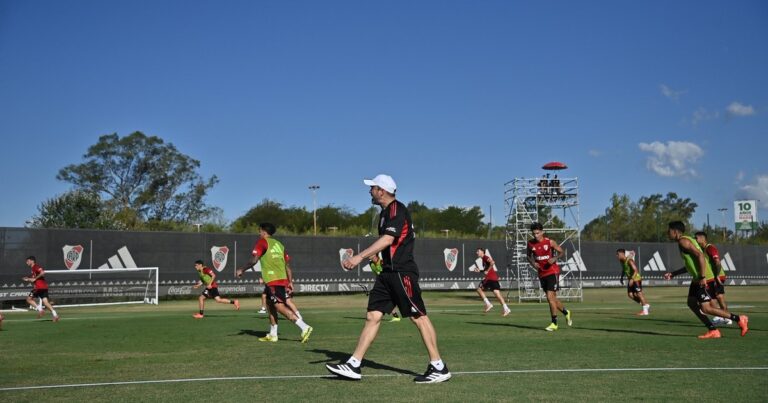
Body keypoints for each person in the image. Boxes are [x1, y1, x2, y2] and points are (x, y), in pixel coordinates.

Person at [326, 174, 451, 383]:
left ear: (381, 191)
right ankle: (354, 364)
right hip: (387, 273)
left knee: (418, 317)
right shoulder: (385, 213)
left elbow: (388, 239)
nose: (370, 191)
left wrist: (359, 257)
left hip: (401, 272)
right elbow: (389, 244)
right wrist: (378, 257)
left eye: (372, 188)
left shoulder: (396, 210)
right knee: (373, 316)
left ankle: (438, 366)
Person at [663, 221, 748, 339]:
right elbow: (692, 264)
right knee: (692, 303)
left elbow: (700, 256)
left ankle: (739, 319)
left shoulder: (683, 241)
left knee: (706, 308)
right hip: (697, 279)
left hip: (703, 278)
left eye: (669, 230)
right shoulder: (685, 241)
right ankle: (713, 330)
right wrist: (674, 274)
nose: (667, 233)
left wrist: (703, 277)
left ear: (675, 231)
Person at [236, 223, 312, 343]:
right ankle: (273, 334)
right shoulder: (279, 245)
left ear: (264, 232)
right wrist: (290, 281)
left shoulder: (262, 241)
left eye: (259, 231)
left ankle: (304, 326)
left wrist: (242, 269)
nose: (259, 233)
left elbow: (254, 260)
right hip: (279, 279)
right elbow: (287, 266)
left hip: (273, 280)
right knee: (270, 305)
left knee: (279, 306)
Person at [527, 223, 571, 331]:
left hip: (552, 271)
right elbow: (528, 256)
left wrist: (555, 258)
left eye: (537, 233)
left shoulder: (550, 242)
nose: (536, 235)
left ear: (542, 232)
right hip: (541, 273)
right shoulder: (530, 243)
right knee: (553, 299)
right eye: (534, 234)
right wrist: (533, 263)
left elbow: (561, 252)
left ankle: (554, 323)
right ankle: (566, 312)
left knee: (550, 297)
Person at [694, 231, 732, 326]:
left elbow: (717, 262)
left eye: (696, 238)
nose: (695, 240)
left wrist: (717, 275)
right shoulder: (702, 250)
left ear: (702, 238)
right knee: (713, 298)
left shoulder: (710, 248)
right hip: (713, 277)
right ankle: (722, 317)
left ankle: (726, 318)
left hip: (718, 276)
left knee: (719, 297)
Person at [473, 248, 510, 316]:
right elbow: (487, 271)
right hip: (493, 278)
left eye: (478, 251)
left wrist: (487, 270)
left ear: (482, 252)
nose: (476, 252)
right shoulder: (483, 259)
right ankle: (506, 308)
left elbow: (492, 262)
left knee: (479, 289)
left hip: (490, 279)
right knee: (497, 293)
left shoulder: (485, 257)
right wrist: (480, 271)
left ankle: (488, 304)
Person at [23, 256, 59, 322]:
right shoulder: (33, 269)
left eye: (28, 261)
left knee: (28, 299)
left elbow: (42, 273)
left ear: (32, 261)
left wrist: (34, 278)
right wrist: (28, 279)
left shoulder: (35, 266)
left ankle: (40, 310)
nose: (26, 262)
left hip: (39, 288)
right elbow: (34, 279)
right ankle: (55, 315)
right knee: (46, 303)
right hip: (44, 287)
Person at [616, 249, 650, 315]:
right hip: (631, 279)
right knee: (630, 295)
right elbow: (624, 269)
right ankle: (645, 304)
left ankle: (645, 311)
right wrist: (621, 277)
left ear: (622, 254)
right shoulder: (622, 261)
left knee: (639, 294)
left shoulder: (629, 260)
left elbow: (636, 270)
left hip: (636, 279)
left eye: (618, 254)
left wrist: (632, 279)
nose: (616, 256)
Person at [369, 254, 400, 322]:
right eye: (370, 256)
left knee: (393, 299)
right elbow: (376, 273)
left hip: (390, 282)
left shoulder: (382, 262)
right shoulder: (371, 264)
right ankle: (395, 316)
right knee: (386, 300)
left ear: (376, 256)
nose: (370, 257)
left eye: (372, 256)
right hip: (382, 283)